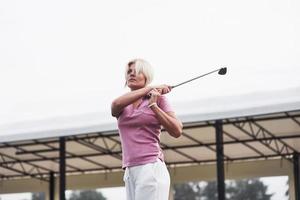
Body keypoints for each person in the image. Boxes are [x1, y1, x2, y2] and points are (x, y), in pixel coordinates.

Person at [111, 58, 183, 200]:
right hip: (130, 170)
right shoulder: (123, 103)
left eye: (137, 72)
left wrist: (154, 106)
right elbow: (115, 105)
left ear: (146, 76)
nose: (131, 74)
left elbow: (177, 130)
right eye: (129, 72)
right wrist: (150, 88)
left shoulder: (159, 99)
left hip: (150, 166)